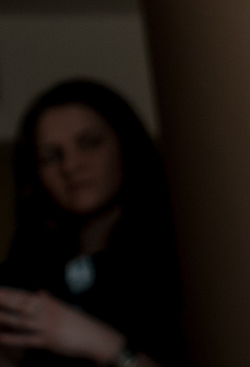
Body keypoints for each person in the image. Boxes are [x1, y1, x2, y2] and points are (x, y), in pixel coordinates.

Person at [0, 79, 183, 367]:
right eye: (51, 156)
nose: (71, 166)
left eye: (89, 144)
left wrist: (99, 343)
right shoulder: (24, 271)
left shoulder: (176, 259)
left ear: (125, 144)